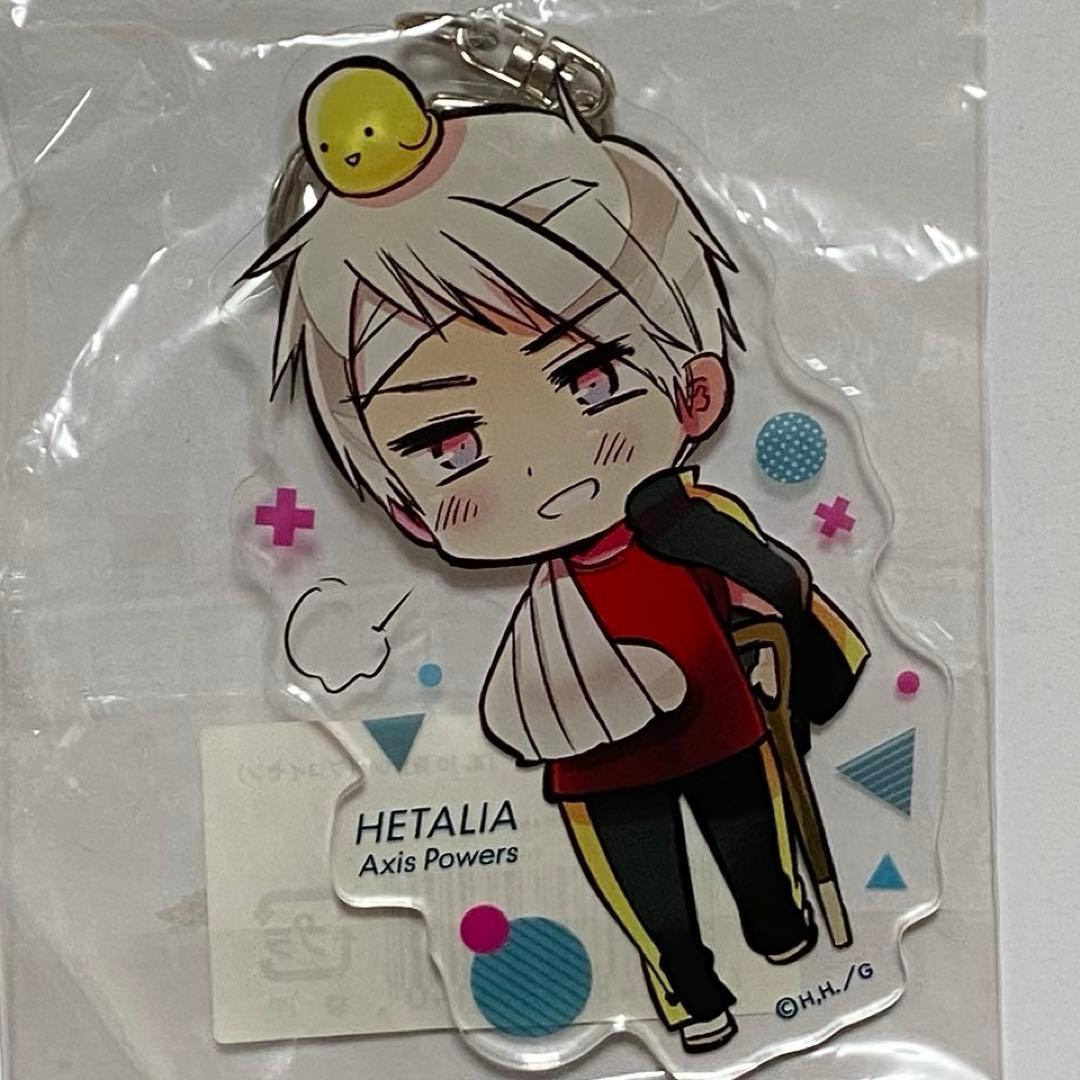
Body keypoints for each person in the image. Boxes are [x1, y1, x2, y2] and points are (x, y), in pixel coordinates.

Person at [247, 57, 868, 1053]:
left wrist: (784, 623)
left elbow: (780, 592)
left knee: (751, 843)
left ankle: (777, 922)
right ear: (412, 512)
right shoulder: (556, 610)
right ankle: (686, 982)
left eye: (589, 377)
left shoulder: (688, 521)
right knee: (645, 874)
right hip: (595, 748)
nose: (541, 463)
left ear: (697, 389)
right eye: (452, 443)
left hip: (724, 720)